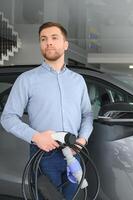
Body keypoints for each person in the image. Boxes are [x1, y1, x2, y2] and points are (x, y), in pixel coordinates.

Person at [0, 22, 93, 200]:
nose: (48, 42)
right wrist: (37, 137)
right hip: (44, 156)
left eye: (54, 38)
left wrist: (82, 140)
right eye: (44, 39)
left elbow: (87, 115)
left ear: (65, 44)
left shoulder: (78, 81)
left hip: (74, 153)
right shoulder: (26, 80)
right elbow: (8, 117)